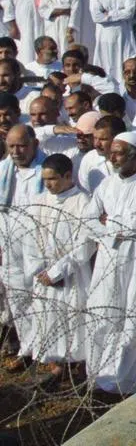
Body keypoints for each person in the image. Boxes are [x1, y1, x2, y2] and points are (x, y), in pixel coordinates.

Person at [84, 131, 136, 394]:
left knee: (134, 317)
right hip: (107, 259)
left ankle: (130, 381)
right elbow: (88, 221)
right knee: (103, 315)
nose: (113, 157)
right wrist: (111, 224)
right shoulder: (106, 185)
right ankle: (101, 377)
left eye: (119, 153)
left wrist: (108, 220)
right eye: (112, 153)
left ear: (135, 157)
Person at [27, 153, 94, 379]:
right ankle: (57, 369)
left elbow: (85, 244)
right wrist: (40, 271)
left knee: (75, 321)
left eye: (53, 179)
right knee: (49, 321)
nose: (48, 184)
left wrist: (58, 271)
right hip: (44, 275)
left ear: (67, 176)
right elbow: (30, 239)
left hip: (73, 275)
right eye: (45, 179)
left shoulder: (83, 202)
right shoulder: (39, 201)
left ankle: (81, 370)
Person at [0, 125, 47, 368]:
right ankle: (27, 350)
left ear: (34, 144)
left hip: (38, 245)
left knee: (41, 298)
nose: (17, 151)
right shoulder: (3, 171)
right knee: (17, 298)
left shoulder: (47, 171)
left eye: (22, 145)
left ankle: (45, 351)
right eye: (12, 146)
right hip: (9, 243)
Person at [89, 0, 136, 74]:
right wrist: (120, 12)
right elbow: (96, 17)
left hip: (123, 36)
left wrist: (108, 13)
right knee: (105, 65)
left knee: (123, 64)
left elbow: (129, 14)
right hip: (104, 37)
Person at [27, 95, 80, 160]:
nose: (37, 119)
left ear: (56, 112)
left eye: (43, 114)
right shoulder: (28, 134)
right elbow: (33, 136)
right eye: (33, 115)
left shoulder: (73, 137)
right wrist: (53, 129)